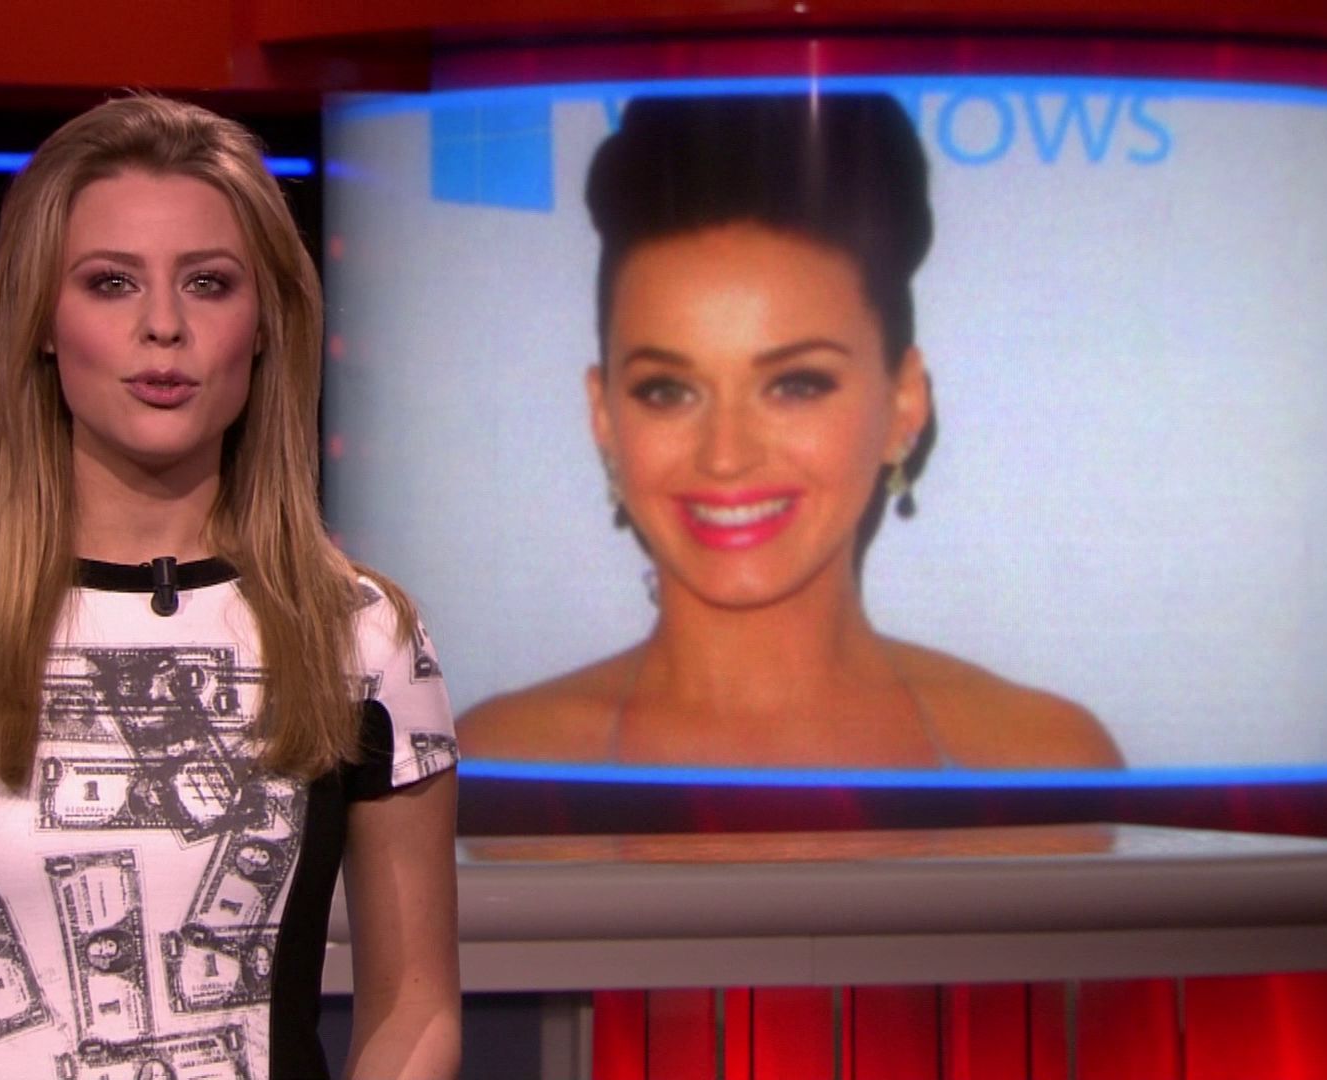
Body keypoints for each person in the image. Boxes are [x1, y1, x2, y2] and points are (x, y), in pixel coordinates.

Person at [0, 95, 460, 1080]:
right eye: (111, 282)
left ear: (266, 325)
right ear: (42, 324)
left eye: (209, 283)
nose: (164, 327)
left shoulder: (362, 637)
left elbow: (415, 1011)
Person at [459, 94, 1121, 769]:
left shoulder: (1045, 759)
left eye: (795, 385)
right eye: (668, 390)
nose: (725, 456)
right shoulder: (495, 760)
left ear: (904, 404)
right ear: (603, 415)